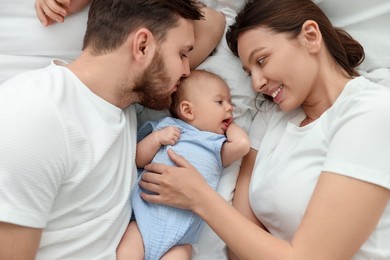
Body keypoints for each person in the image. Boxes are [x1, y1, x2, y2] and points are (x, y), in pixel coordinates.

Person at [137, 0, 390, 259]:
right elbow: (238, 243)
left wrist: (199, 197)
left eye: (262, 60)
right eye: (249, 73)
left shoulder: (371, 112)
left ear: (311, 37)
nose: (257, 83)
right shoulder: (271, 116)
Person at [0, 0, 227, 259]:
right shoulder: (34, 114)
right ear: (142, 46)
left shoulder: (124, 104)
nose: (187, 71)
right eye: (182, 54)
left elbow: (212, 22)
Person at [117, 69, 250, 260]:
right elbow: (138, 159)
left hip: (180, 240)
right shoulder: (168, 128)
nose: (230, 108)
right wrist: (156, 139)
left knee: (182, 254)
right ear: (188, 110)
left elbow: (242, 145)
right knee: (128, 251)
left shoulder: (216, 145)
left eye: (230, 103)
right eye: (220, 101)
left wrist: (230, 124)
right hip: (144, 220)